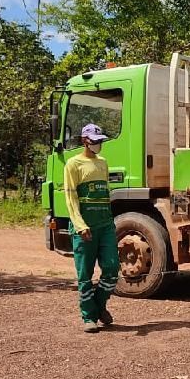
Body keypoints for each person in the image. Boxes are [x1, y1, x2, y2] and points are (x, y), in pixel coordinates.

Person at [64, 123, 121, 333]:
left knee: (112, 268)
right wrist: (80, 225)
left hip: (105, 224)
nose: (98, 145)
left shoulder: (103, 163)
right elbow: (70, 198)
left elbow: (105, 193)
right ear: (84, 141)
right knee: (84, 274)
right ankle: (89, 316)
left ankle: (99, 305)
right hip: (84, 227)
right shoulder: (73, 164)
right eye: (94, 142)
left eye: (100, 142)